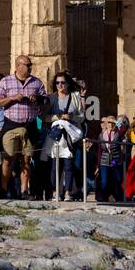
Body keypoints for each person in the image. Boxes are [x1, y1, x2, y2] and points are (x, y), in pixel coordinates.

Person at [0, 56, 47, 199]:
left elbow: (45, 99)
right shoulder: (6, 81)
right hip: (11, 125)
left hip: (29, 125)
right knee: (8, 158)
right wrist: (12, 98)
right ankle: (3, 189)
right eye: (27, 65)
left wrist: (37, 98)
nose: (30, 67)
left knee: (26, 159)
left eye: (31, 65)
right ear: (18, 66)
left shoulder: (36, 82)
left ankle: (24, 191)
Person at [41, 70, 85, 201]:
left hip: (70, 133)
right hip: (56, 134)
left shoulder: (75, 96)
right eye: (57, 83)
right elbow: (44, 117)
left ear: (67, 84)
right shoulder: (51, 98)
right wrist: (58, 117)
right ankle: (55, 191)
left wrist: (72, 117)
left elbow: (82, 117)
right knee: (55, 164)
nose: (60, 85)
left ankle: (68, 192)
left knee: (69, 164)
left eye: (62, 83)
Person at [95, 116, 123, 201]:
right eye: (109, 122)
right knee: (104, 181)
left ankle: (118, 198)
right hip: (104, 161)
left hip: (114, 160)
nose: (111, 124)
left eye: (113, 123)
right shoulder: (101, 135)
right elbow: (99, 151)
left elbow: (122, 127)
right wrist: (98, 165)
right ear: (106, 124)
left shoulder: (118, 133)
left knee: (117, 180)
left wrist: (115, 121)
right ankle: (104, 198)